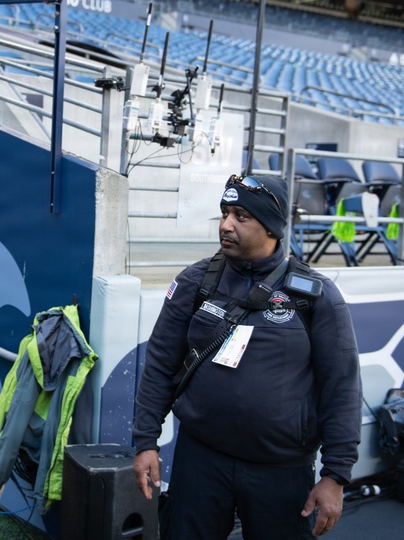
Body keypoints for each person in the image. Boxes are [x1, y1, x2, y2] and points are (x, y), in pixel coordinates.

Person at [132, 174, 361, 539]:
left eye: (241, 216)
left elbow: (342, 387)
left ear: (271, 227)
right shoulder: (196, 282)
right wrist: (145, 441)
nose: (226, 225)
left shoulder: (315, 296)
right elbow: (160, 363)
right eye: (225, 212)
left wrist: (335, 475)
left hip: (281, 469)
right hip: (200, 459)